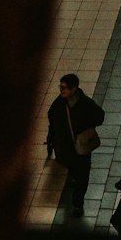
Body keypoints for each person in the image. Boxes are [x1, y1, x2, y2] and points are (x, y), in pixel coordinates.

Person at [45, 74, 106, 217]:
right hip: (65, 147)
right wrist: (51, 140)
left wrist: (85, 126)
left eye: (64, 88)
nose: (61, 90)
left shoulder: (86, 104)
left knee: (83, 174)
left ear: (74, 88)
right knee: (71, 166)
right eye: (60, 87)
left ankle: (78, 203)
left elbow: (100, 117)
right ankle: (74, 177)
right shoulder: (59, 104)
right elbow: (52, 122)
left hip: (81, 146)